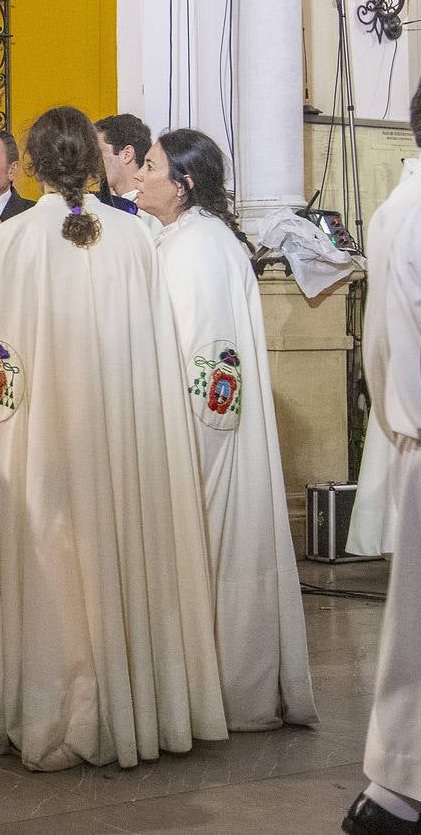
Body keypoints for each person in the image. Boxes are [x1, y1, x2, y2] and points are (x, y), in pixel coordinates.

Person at [0, 106, 228, 771]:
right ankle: (120, 703)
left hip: (35, 441)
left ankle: (45, 701)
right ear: (92, 163)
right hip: (118, 438)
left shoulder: (11, 240)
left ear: (27, 163)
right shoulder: (132, 239)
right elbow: (152, 352)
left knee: (43, 561)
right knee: (111, 554)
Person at [134, 128, 318, 732]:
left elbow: (211, 366)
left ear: (183, 186)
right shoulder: (181, 238)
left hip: (200, 442)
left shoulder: (199, 250)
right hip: (188, 432)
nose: (139, 174)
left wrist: (183, 454)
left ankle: (227, 691)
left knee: (217, 559)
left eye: (152, 166)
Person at [340, 63, 421, 835]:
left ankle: (396, 790)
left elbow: (379, 345)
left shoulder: (402, 200)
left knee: (418, 638)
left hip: (416, 436)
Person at [94, 113, 161, 230]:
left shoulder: (153, 212)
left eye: (99, 153)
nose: (92, 162)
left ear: (127, 154)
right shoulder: (98, 205)